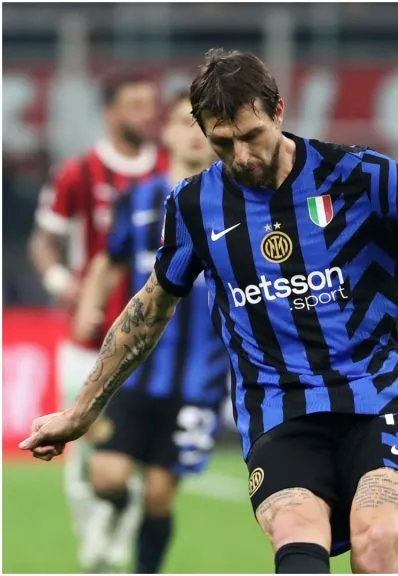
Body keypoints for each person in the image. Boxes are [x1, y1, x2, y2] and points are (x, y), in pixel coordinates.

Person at [20, 48, 398, 575]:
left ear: (279, 111)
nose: (241, 156)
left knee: (375, 545)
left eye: (251, 135)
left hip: (377, 396)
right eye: (222, 142)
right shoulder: (194, 206)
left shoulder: (361, 174)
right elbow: (149, 308)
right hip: (278, 408)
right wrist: (80, 411)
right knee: (295, 539)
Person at [70, 90, 228, 573]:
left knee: (160, 494)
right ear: (167, 131)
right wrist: (90, 306)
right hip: (136, 370)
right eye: (185, 122)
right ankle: (115, 510)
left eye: (204, 125)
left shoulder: (236, 204)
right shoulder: (139, 201)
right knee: (107, 478)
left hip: (201, 378)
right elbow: (109, 261)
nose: (194, 134)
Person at [27, 71, 167, 572]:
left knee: (132, 454)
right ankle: (92, 536)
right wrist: (65, 283)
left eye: (149, 103)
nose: (144, 114)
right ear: (109, 111)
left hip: (152, 341)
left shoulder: (172, 172)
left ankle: (115, 548)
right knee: (75, 448)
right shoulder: (78, 172)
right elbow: (43, 238)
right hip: (87, 337)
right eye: (132, 104)